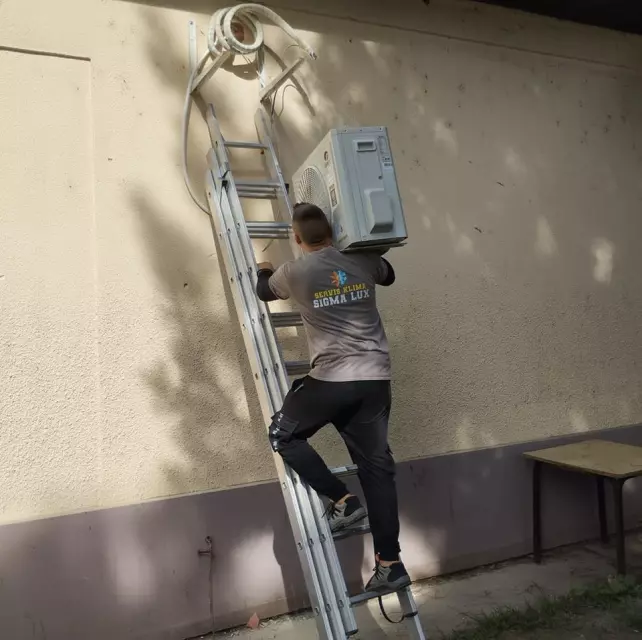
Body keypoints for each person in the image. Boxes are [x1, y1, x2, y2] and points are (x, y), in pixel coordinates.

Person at [255, 202, 410, 593]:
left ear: (296, 237)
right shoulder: (363, 261)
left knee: (284, 435)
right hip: (375, 379)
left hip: (332, 381)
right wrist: (363, 249)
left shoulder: (295, 272)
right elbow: (389, 274)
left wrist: (263, 268)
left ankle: (343, 501)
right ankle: (390, 565)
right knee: (377, 470)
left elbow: (263, 292)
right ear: (332, 231)